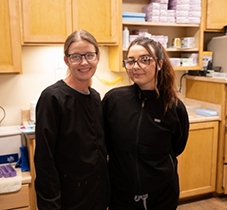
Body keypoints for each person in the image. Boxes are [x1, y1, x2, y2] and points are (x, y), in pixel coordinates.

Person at [102, 37, 189, 210]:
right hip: (122, 196)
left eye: (144, 60)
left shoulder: (174, 107)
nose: (136, 66)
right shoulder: (114, 100)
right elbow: (104, 143)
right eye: (131, 61)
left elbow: (177, 147)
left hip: (162, 196)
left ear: (159, 64)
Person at [34, 30, 110, 210]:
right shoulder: (52, 98)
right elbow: (44, 160)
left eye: (89, 55)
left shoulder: (95, 97)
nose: (84, 62)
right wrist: (50, 204)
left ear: (98, 57)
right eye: (76, 56)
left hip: (97, 196)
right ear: (67, 60)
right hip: (69, 200)